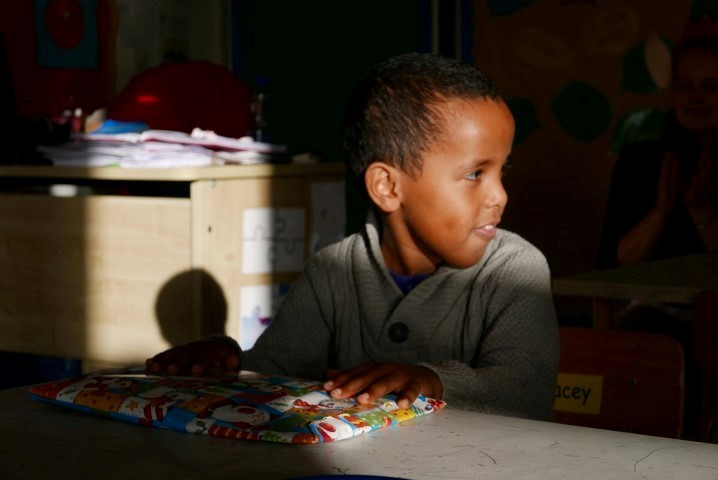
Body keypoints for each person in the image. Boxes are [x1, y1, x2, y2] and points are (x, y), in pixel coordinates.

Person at [146, 52, 560, 421]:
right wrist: (228, 361)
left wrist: (432, 381)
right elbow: (276, 373)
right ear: (387, 187)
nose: (500, 196)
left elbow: (526, 394)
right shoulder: (333, 271)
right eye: (474, 174)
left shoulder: (515, 269)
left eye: (501, 171)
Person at [598, 35, 718, 270]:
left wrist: (703, 213)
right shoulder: (639, 160)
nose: (696, 98)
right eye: (685, 86)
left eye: (712, 87)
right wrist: (661, 212)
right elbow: (616, 262)